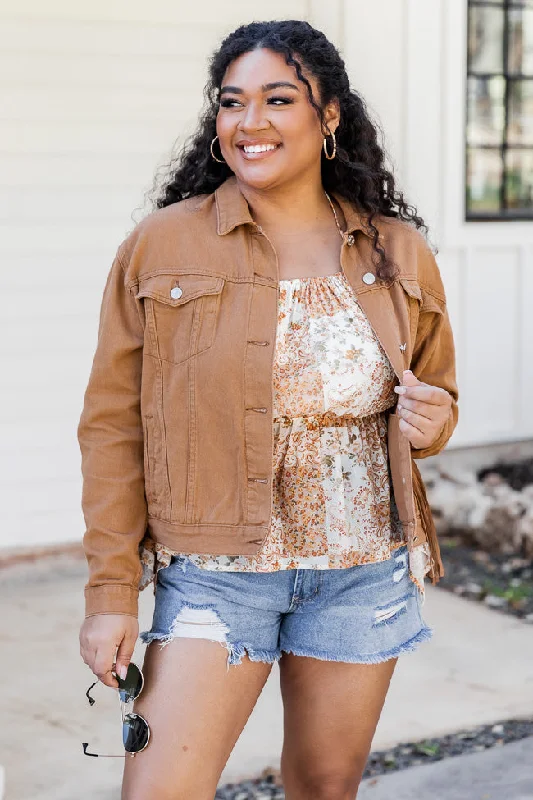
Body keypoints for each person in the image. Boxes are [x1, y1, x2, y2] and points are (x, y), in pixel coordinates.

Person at [78, 19, 458, 800]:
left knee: (323, 786)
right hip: (216, 575)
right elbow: (113, 425)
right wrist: (111, 594)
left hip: (360, 567)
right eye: (231, 102)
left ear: (328, 118)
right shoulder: (161, 245)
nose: (249, 122)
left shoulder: (395, 251)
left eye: (277, 99)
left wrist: (434, 421)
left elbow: (440, 394)